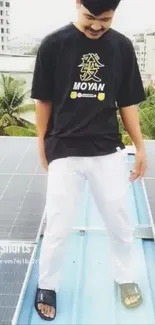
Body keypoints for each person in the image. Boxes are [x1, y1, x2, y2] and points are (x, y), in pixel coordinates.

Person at [31, 0, 147, 321]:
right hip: (64, 150)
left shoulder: (121, 47)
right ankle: (47, 285)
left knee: (120, 222)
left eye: (106, 19)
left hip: (107, 150)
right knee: (58, 225)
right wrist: (42, 142)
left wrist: (139, 146)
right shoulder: (54, 45)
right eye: (90, 18)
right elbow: (44, 100)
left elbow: (127, 103)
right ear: (77, 3)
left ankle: (124, 276)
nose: (97, 26)